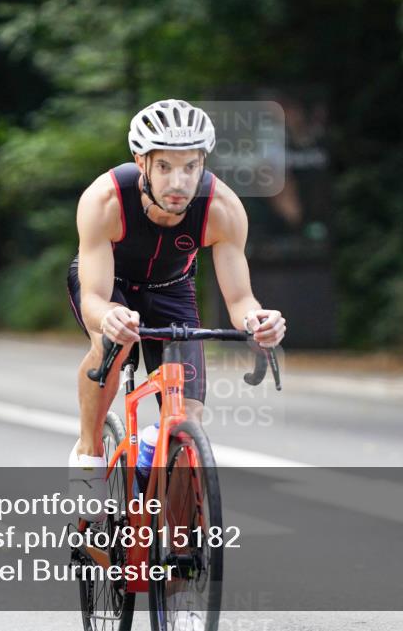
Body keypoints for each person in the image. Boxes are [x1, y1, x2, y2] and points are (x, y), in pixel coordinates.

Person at [66, 100, 287, 519]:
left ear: (204, 161)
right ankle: (89, 453)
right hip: (109, 286)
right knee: (112, 348)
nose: (178, 181)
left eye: (190, 166)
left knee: (189, 417)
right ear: (141, 163)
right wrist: (109, 316)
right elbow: (94, 298)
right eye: (164, 166)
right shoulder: (104, 200)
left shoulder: (221, 208)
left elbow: (240, 300)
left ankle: (181, 558)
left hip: (170, 289)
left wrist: (258, 322)